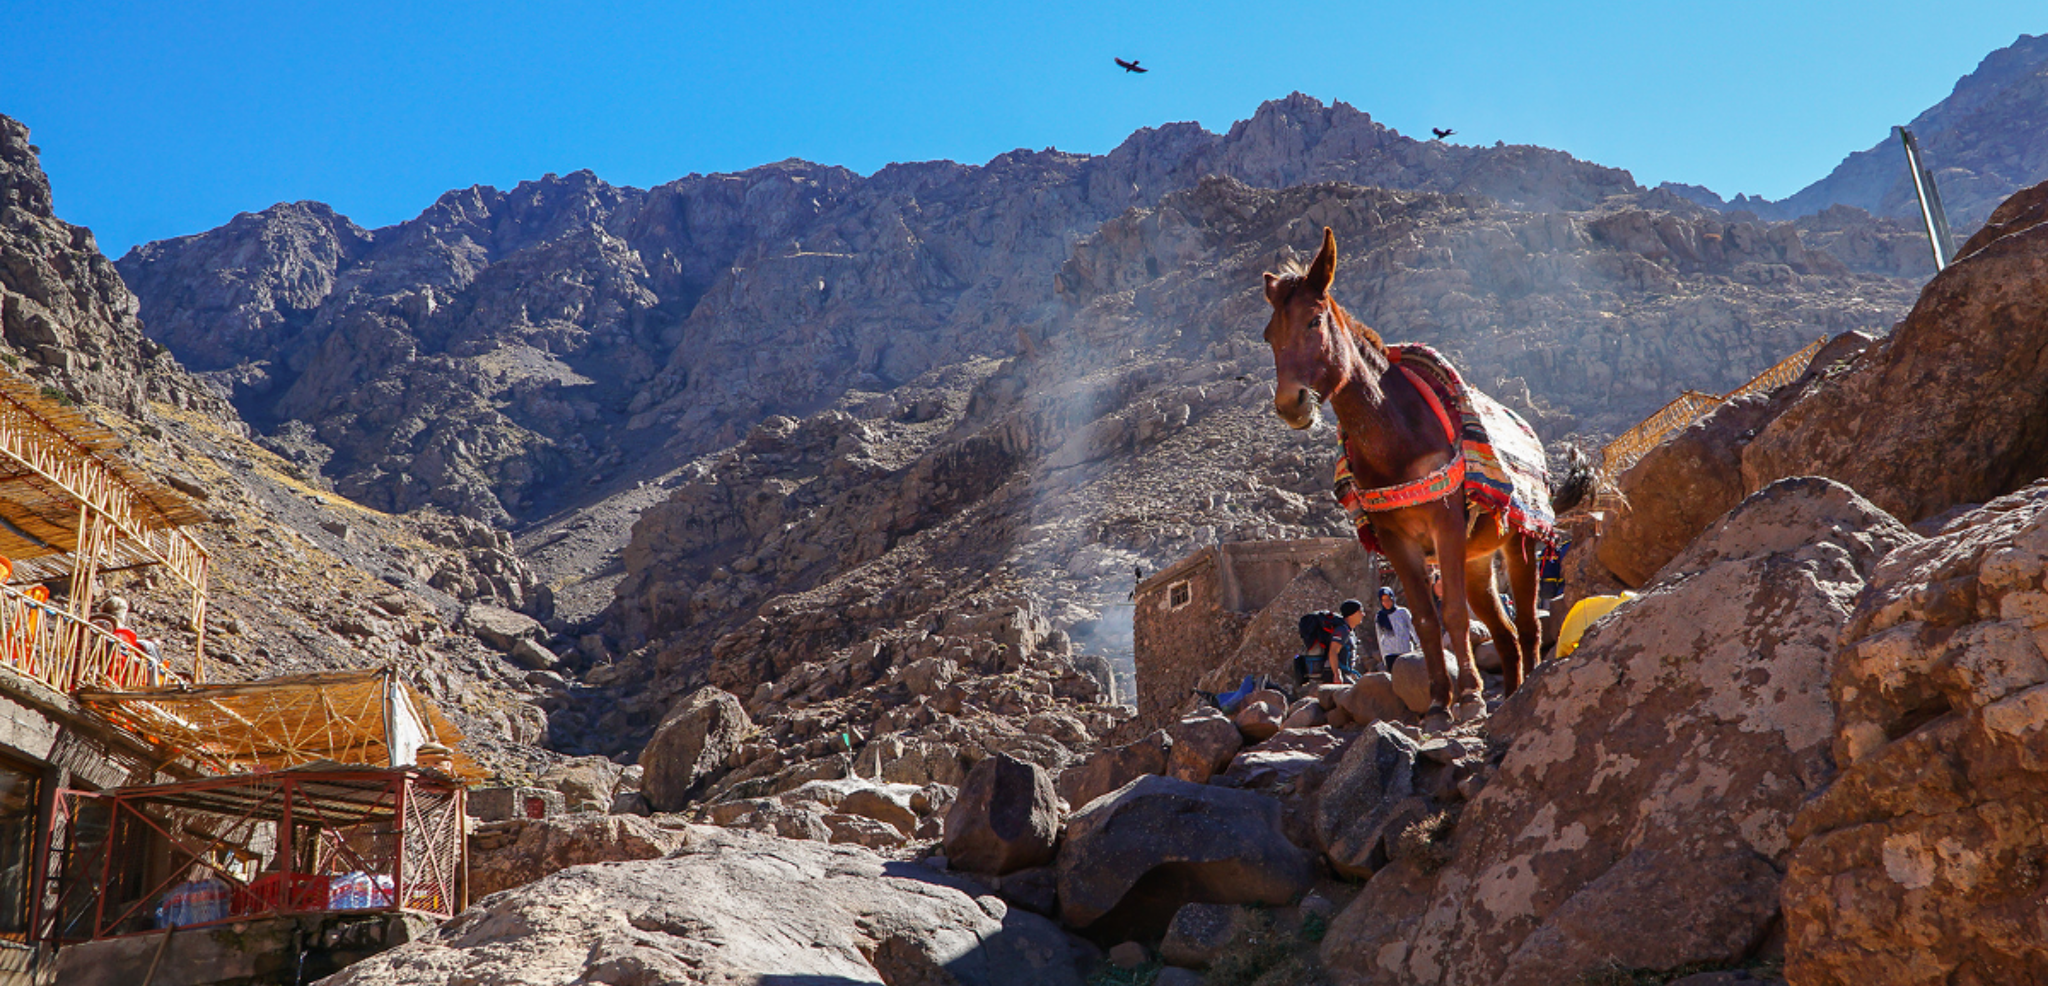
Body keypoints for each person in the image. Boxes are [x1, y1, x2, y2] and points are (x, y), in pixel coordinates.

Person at [1373, 586, 1419, 672]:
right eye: (1384, 600)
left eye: (1388, 599)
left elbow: (1413, 628)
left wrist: (1419, 644)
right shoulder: (1380, 617)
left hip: (1405, 651)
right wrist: (1384, 657)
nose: (1387, 603)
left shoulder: (1402, 612)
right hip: (1390, 654)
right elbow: (1380, 637)